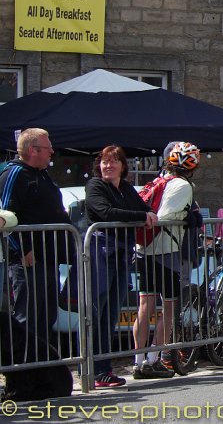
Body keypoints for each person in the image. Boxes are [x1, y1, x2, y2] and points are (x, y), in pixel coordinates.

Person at [85, 146, 158, 388]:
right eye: (105, 162)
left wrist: (148, 214)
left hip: (120, 255)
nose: (108, 166)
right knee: (96, 312)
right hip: (99, 254)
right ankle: (93, 370)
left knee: (111, 314)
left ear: (122, 166)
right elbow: (105, 213)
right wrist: (140, 218)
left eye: (113, 162)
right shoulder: (95, 186)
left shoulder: (125, 188)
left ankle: (104, 370)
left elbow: (144, 207)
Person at [0, 128, 71, 370]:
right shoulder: (15, 174)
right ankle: (22, 371)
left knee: (46, 317)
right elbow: (6, 215)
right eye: (47, 147)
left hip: (48, 258)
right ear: (33, 150)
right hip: (27, 261)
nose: (52, 151)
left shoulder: (43, 175)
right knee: (26, 318)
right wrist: (22, 249)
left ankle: (43, 370)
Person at [132, 141, 199, 380]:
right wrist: (188, 215)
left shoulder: (158, 181)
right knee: (168, 308)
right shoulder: (182, 185)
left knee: (145, 306)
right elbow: (165, 216)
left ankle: (138, 360)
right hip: (165, 251)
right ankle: (153, 359)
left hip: (143, 250)